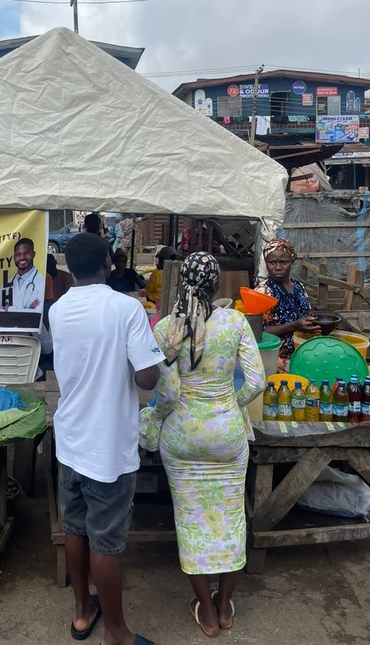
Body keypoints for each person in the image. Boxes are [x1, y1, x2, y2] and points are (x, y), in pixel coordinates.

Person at [139, 252, 265, 637]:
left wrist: (154, 418)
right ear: (217, 283)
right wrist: (229, 405)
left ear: (182, 282)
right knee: (231, 519)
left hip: (183, 438)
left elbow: (171, 390)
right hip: (227, 436)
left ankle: (206, 612)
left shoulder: (166, 329)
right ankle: (225, 605)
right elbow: (257, 382)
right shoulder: (235, 322)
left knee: (191, 521)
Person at [50, 233, 163, 645]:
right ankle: (116, 633)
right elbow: (147, 377)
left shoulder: (59, 310)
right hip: (108, 445)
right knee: (106, 541)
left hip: (71, 439)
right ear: (107, 266)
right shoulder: (126, 309)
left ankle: (83, 614)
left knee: (75, 529)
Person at [255, 238, 319, 371]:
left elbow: (307, 312)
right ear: (266, 264)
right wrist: (295, 325)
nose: (278, 267)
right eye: (272, 262)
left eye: (284, 262)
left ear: (292, 262)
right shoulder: (263, 292)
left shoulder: (298, 286)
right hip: (277, 360)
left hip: (303, 353)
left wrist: (312, 321)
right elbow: (258, 332)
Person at [5, 238, 46, 312]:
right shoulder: (7, 283)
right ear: (14, 257)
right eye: (18, 254)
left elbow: (38, 313)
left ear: (33, 254)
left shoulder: (42, 282)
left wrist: (9, 309)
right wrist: (28, 309)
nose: (22, 257)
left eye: (26, 253)